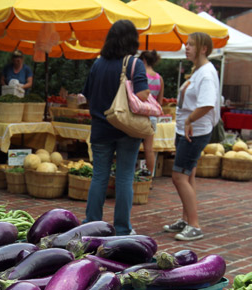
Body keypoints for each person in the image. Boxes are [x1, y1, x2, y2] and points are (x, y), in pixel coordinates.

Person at [82, 20, 150, 236]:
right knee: (124, 177)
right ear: (132, 40)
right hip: (127, 130)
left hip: (101, 129)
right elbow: (141, 95)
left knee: (99, 176)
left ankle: (91, 224)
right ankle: (122, 228)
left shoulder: (98, 64)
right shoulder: (134, 64)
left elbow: (88, 95)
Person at [164, 32, 220, 241]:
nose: (186, 47)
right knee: (188, 176)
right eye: (186, 44)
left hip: (194, 131)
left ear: (203, 48)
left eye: (191, 45)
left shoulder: (205, 74)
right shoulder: (199, 71)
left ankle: (194, 224)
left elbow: (207, 104)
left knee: (179, 176)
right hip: (188, 130)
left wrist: (189, 121)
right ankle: (187, 220)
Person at [140, 50, 165, 174]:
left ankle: (131, 176)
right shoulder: (159, 78)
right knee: (149, 149)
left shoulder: (140, 76)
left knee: (132, 147)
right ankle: (149, 176)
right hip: (152, 117)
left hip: (139, 116)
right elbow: (160, 102)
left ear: (143, 60)